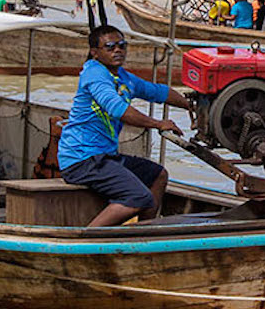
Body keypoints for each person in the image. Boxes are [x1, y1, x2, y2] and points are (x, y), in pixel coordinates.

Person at [56, 25, 192, 227]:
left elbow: (157, 91)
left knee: (158, 175)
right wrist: (158, 124)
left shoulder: (123, 77)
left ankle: (143, 234)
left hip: (105, 156)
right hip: (82, 159)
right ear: (95, 52)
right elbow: (118, 109)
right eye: (110, 47)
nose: (117, 50)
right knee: (138, 197)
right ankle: (86, 240)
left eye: (122, 45)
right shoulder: (94, 75)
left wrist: (193, 107)